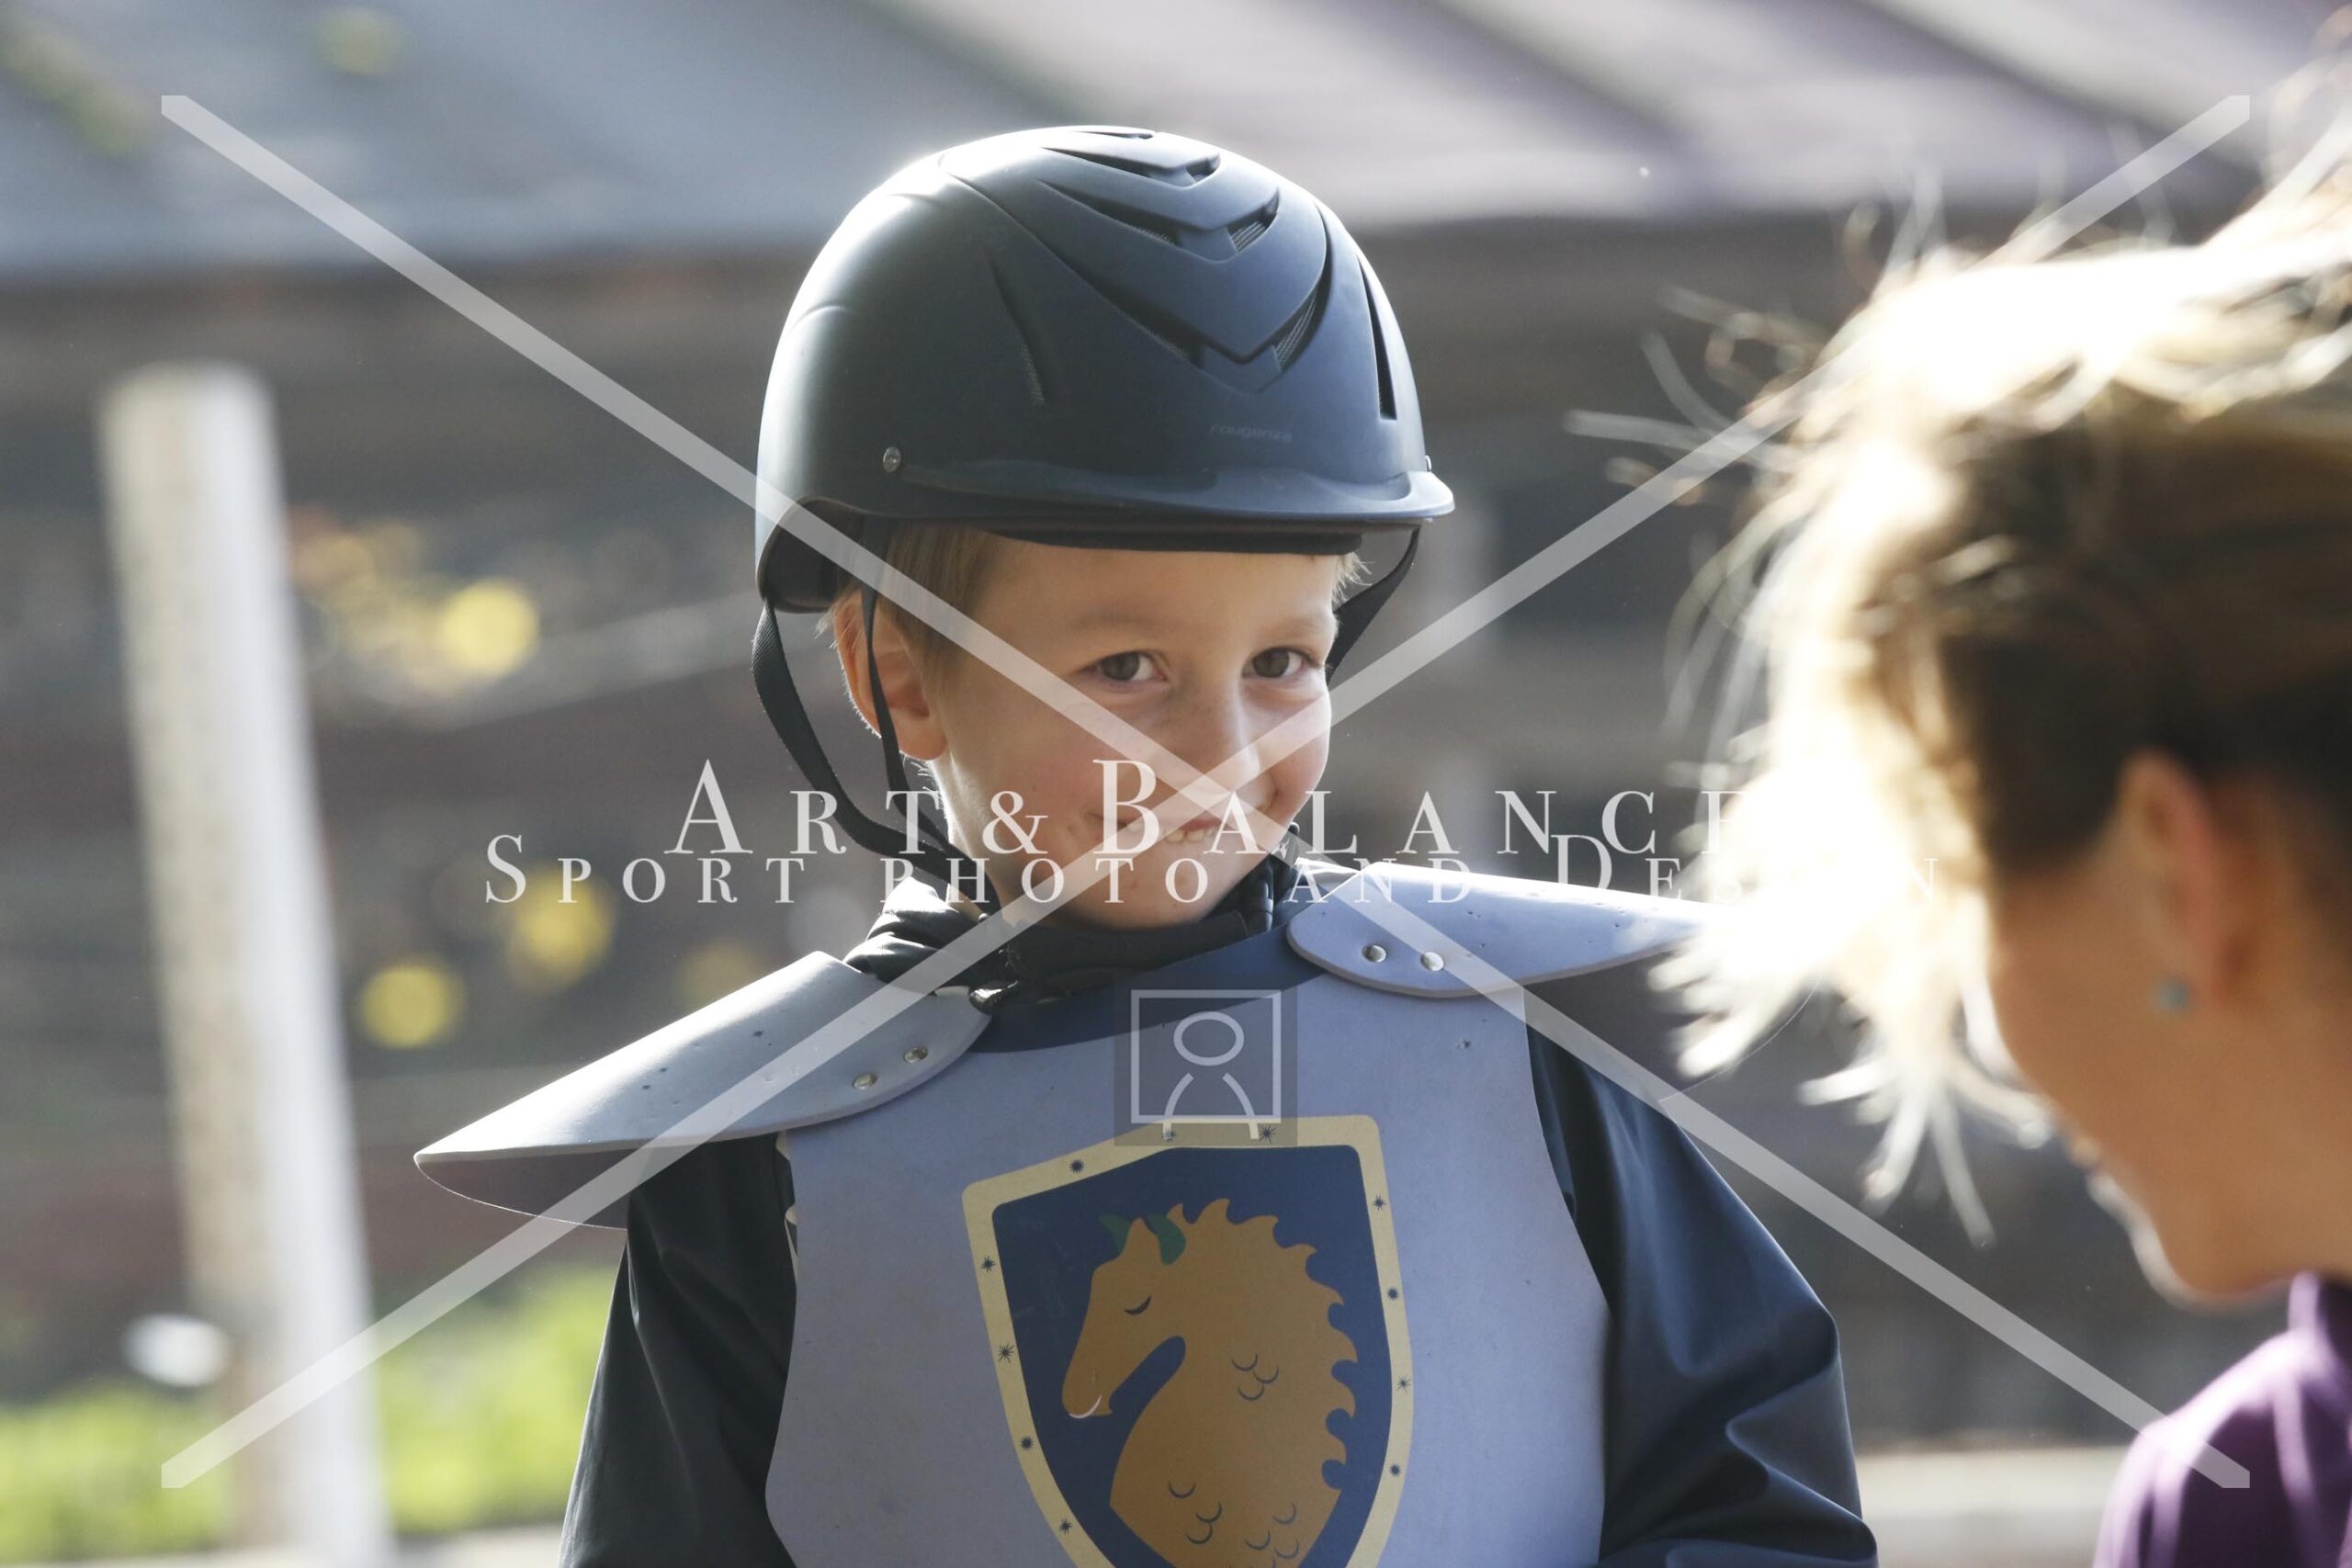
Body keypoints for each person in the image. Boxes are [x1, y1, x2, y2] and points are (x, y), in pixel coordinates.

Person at [417, 126, 1872, 1565]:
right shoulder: (759, 1165)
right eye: (1125, 670)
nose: (1220, 751)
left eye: (1283, 664)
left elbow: (1755, 1513)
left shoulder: (1523, 1039)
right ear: (898, 675)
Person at [1674, 133, 2352, 1568]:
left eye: (1970, 873)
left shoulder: (2245, 1507)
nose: (1982, 1018)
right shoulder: (2240, 1503)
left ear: (2173, 871)